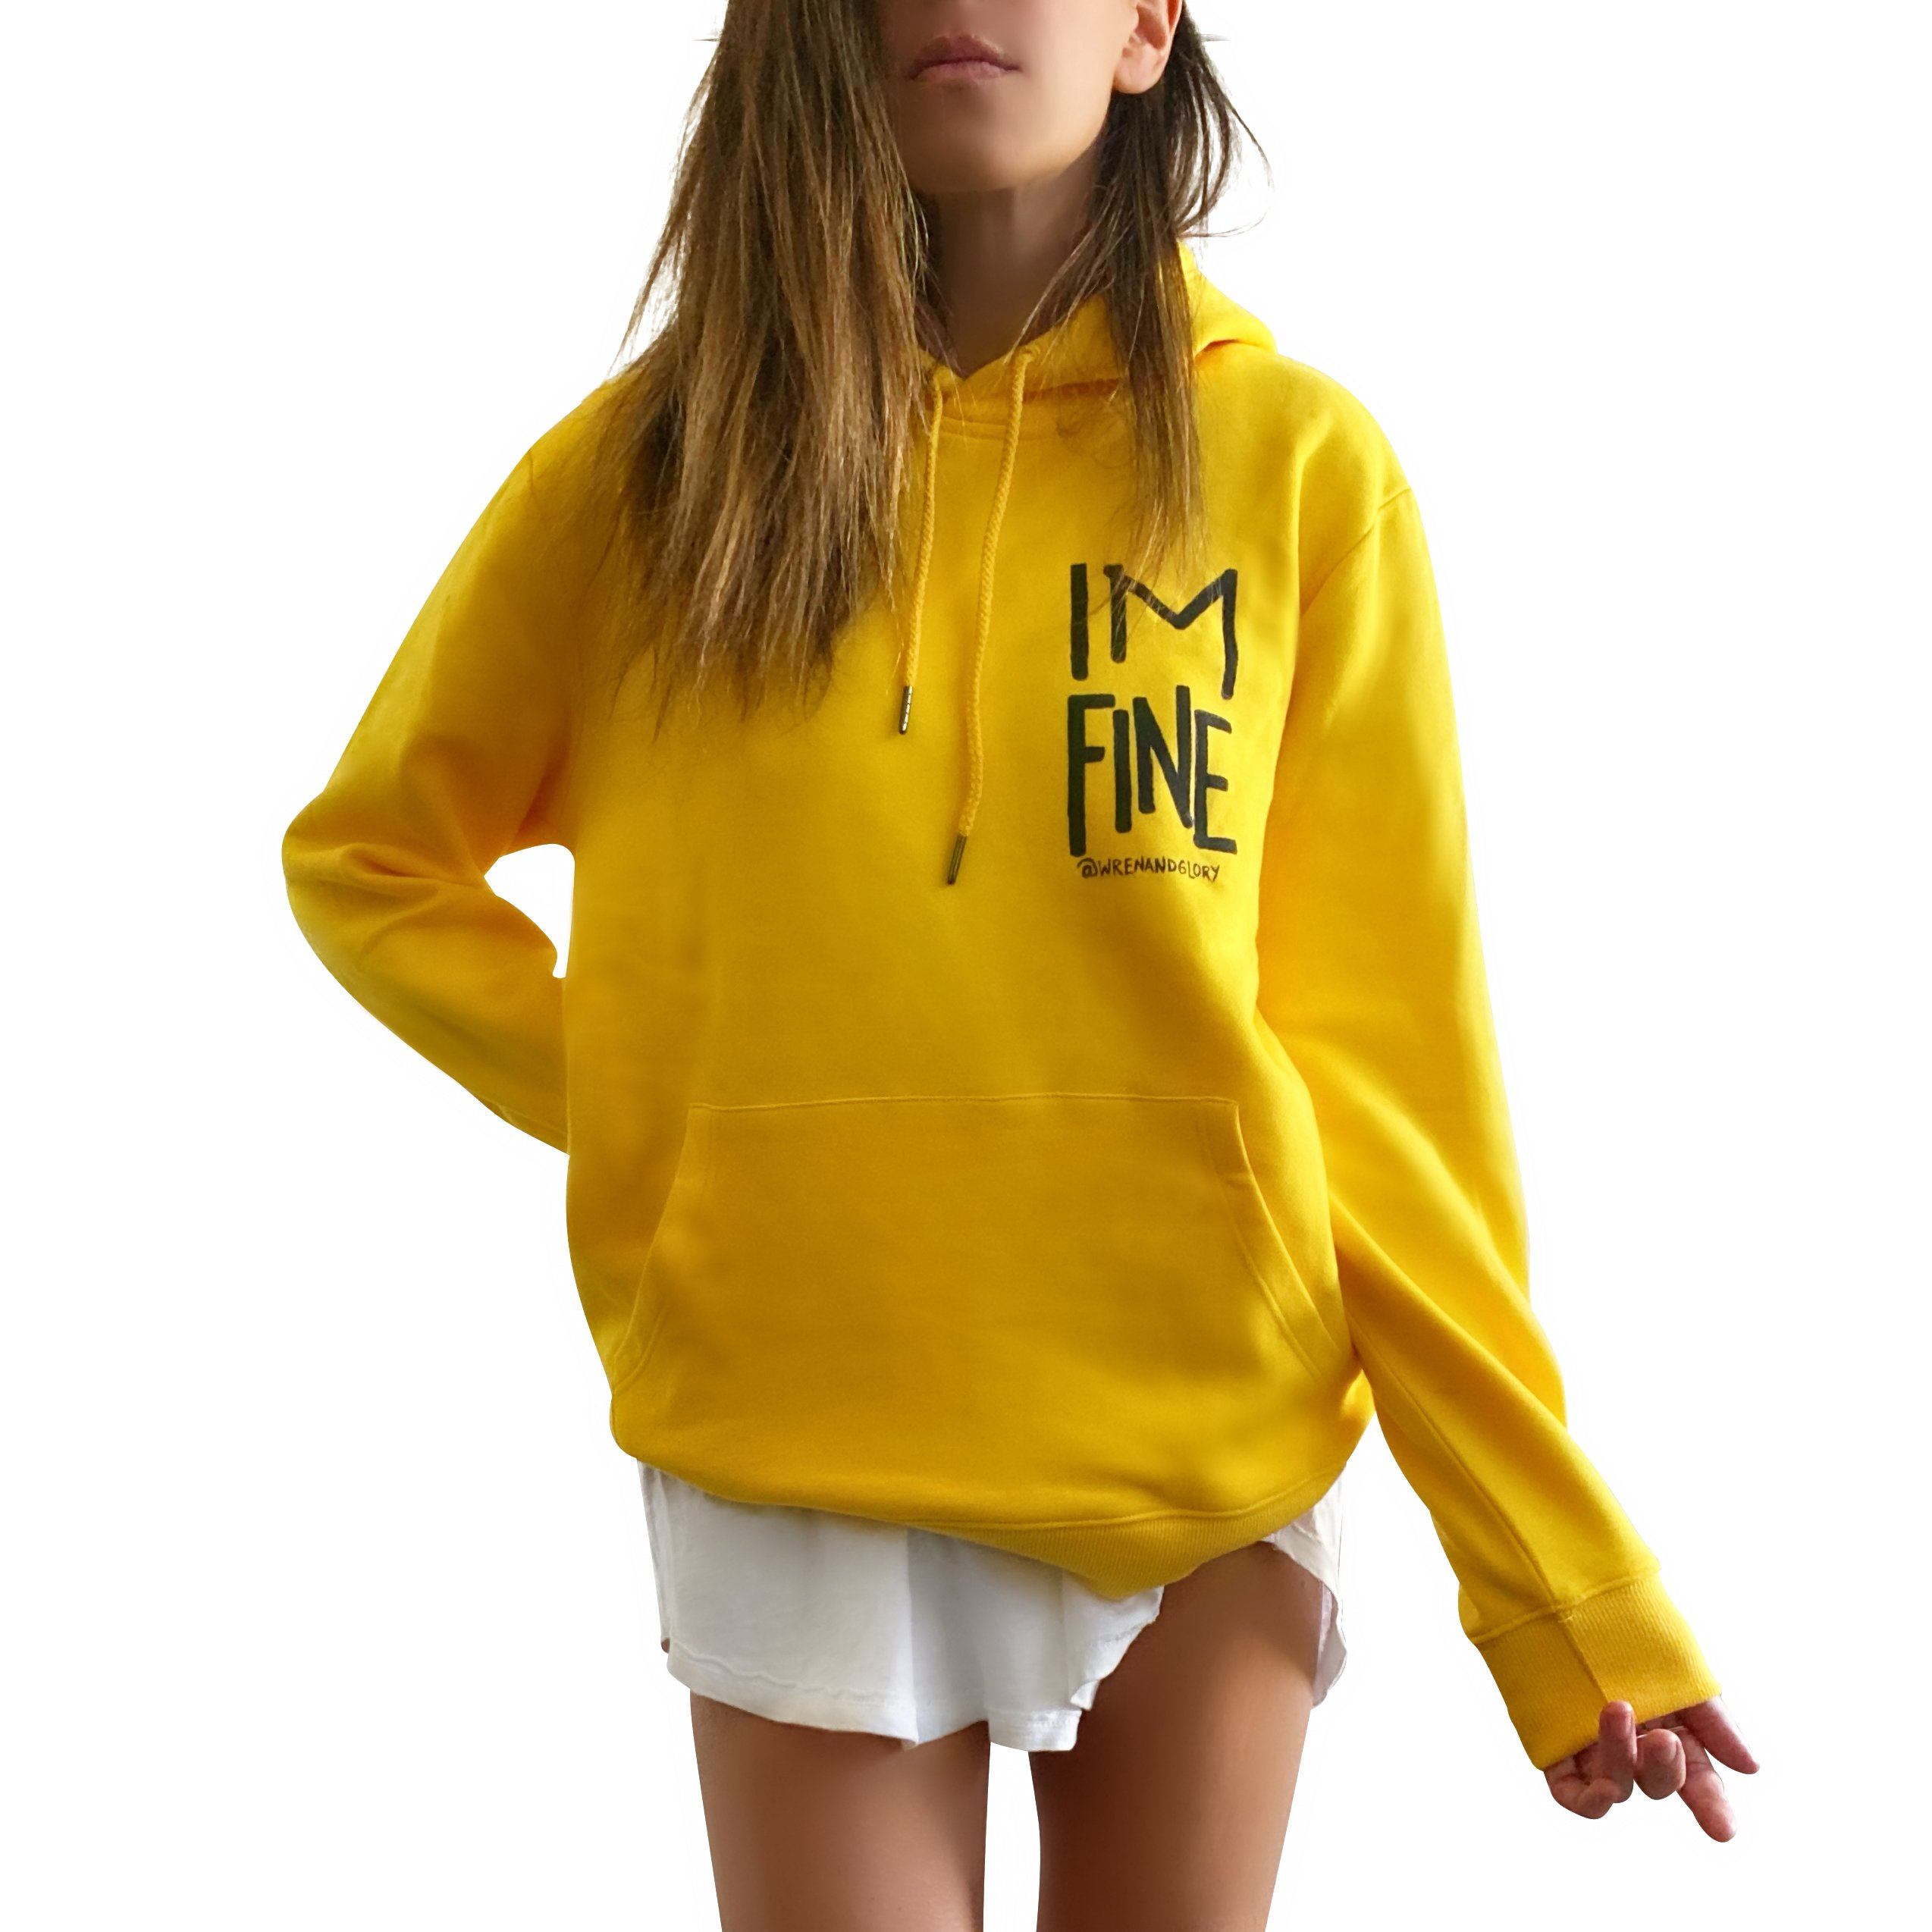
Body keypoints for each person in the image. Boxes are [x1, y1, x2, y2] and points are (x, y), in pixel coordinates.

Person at [281, 2, 1757, 1923]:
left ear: (1146, 24)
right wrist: (669, 1104)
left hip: (1209, 1435)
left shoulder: (1296, 469)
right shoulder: (652, 473)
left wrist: (1557, 1579)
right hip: (797, 1415)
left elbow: (1385, 1084)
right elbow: (372, 859)